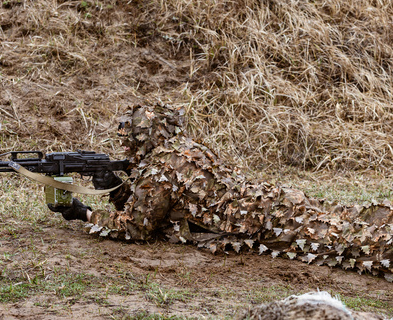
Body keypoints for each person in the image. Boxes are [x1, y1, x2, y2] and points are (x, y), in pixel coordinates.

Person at [49, 104, 393, 281]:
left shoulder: (158, 169)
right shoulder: (186, 149)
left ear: (142, 138)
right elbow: (166, 205)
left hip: (261, 220)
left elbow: (137, 228)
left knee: (349, 244)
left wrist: (84, 213)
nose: (126, 146)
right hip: (269, 199)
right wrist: (119, 190)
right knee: (346, 218)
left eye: (129, 139)